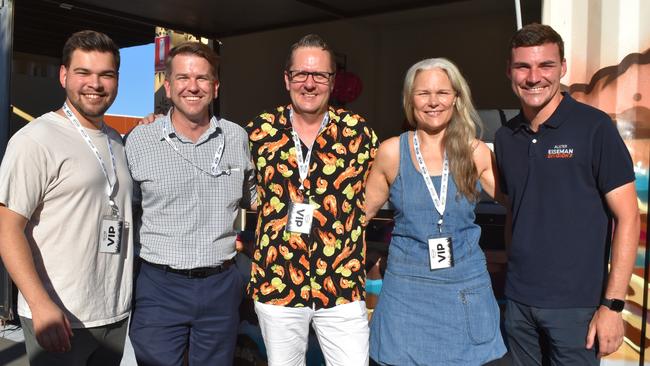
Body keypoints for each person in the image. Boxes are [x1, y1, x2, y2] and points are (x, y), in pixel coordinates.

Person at [494, 23, 640, 365]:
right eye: (523, 67)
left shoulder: (594, 127)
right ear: (509, 71)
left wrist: (613, 305)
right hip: (518, 304)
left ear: (562, 67)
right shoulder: (505, 137)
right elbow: (516, 209)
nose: (534, 77)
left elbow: (628, 216)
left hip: (578, 309)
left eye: (545, 65)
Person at [0, 30, 132, 365]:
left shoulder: (116, 139)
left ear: (117, 80)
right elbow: (7, 230)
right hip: (59, 318)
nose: (95, 84)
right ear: (63, 76)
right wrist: (40, 304)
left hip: (113, 314)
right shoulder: (35, 140)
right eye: (83, 72)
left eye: (106, 74)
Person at [245, 34, 378, 365]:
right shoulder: (259, 132)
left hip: (342, 285)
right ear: (286, 78)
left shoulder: (358, 133)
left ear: (332, 81)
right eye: (301, 74)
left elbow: (391, 176)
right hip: (278, 285)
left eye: (319, 75)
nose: (309, 83)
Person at [364, 58, 506, 365]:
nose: (432, 102)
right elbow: (357, 216)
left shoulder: (475, 152)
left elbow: (521, 205)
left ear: (456, 97)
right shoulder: (392, 151)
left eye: (442, 92)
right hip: (406, 296)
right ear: (409, 100)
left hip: (463, 293)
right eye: (422, 93)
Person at [125, 42, 256, 366]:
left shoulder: (236, 138)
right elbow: (127, 209)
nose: (193, 86)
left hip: (221, 287)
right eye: (183, 78)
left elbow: (256, 199)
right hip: (159, 287)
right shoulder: (140, 140)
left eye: (202, 78)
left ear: (215, 86)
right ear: (168, 87)